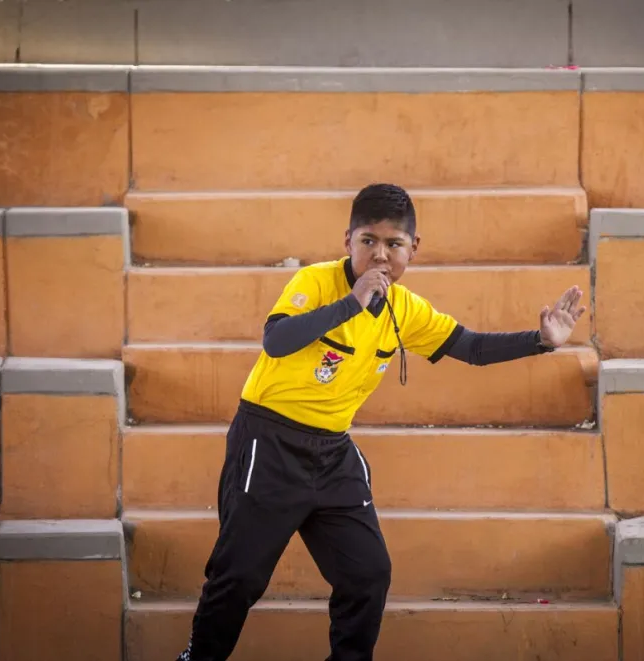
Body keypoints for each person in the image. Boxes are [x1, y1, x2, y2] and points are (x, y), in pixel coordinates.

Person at [177, 183, 587, 661]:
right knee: (239, 576)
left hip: (331, 455)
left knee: (367, 574)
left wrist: (539, 340)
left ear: (414, 249)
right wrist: (352, 302)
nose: (379, 255)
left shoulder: (406, 309)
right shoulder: (315, 282)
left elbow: (471, 347)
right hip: (269, 444)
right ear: (347, 240)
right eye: (367, 240)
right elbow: (277, 341)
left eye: (393, 244)